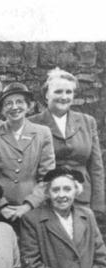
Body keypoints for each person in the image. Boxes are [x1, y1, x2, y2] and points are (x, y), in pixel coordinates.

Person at [29, 68, 105, 216]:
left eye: (68, 92)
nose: (64, 97)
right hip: (48, 197)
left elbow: (96, 167)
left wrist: (98, 202)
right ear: (46, 94)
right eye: (58, 92)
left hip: (82, 196)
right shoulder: (33, 124)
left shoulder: (87, 122)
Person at [0, 82, 55, 228]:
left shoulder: (42, 133)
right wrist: (1, 205)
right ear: (1, 109)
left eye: (20, 102)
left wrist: (28, 205)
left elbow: (47, 177)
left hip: (33, 209)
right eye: (8, 103)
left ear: (29, 106)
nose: (14, 107)